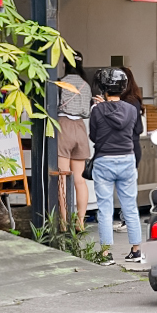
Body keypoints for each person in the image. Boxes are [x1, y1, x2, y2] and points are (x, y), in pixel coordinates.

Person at [89, 67, 143, 265]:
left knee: (104, 208)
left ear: (104, 88)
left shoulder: (96, 110)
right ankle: (136, 251)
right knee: (130, 206)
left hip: (104, 160)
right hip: (127, 159)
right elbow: (129, 128)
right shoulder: (131, 109)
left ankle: (105, 254)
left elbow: (93, 136)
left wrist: (100, 108)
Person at [57, 52, 92, 232]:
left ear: (65, 63)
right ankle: (80, 222)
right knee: (80, 179)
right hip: (80, 128)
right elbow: (86, 112)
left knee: (62, 177)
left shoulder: (60, 83)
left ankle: (63, 223)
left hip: (63, 127)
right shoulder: (86, 85)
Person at [113, 68, 146, 232]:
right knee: (127, 185)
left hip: (128, 146)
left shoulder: (127, 102)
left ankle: (129, 221)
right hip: (134, 145)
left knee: (126, 187)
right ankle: (127, 219)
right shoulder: (135, 100)